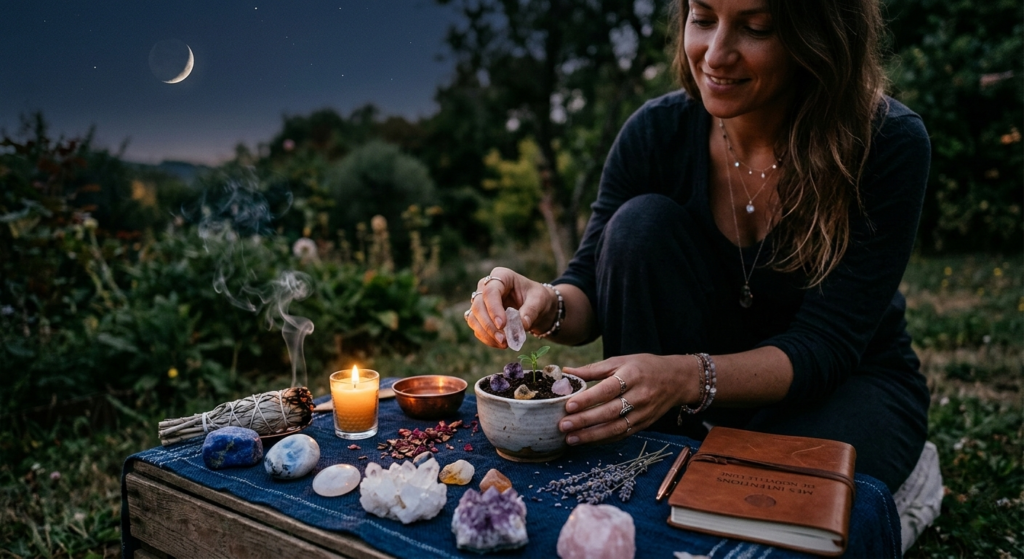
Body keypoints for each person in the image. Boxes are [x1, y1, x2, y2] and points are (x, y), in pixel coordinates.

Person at [463, 0, 930, 494]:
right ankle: (672, 451)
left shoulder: (885, 142)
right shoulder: (655, 132)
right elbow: (590, 290)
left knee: (768, 496)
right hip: (684, 398)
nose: (715, 54)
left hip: (843, 387)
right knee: (638, 225)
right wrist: (543, 302)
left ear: (818, 40)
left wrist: (687, 378)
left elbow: (826, 345)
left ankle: (711, 453)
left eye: (756, 28)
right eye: (703, 19)